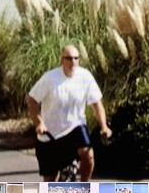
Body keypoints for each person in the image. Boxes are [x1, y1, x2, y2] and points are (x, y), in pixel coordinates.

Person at [26, 44, 112, 182]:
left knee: (87, 153)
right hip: (50, 134)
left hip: (75, 127)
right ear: (62, 60)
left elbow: (97, 104)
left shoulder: (85, 76)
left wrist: (104, 127)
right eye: (69, 58)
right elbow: (31, 100)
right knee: (50, 180)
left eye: (76, 58)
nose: (73, 62)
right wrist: (39, 123)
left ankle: (83, 187)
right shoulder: (50, 78)